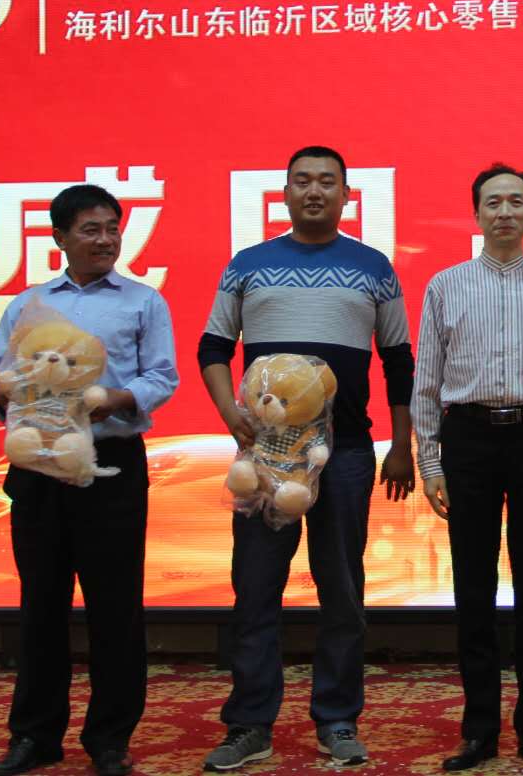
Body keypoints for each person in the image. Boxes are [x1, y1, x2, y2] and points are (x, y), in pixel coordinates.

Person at [200, 145, 416, 770]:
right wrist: (230, 414)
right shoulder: (248, 265)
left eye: (327, 182)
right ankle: (249, 724)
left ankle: (338, 718)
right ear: (285, 192)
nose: (314, 191)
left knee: (341, 590)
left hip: (344, 454)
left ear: (347, 195)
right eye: (302, 181)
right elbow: (213, 347)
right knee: (255, 589)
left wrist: (401, 446)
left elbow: (399, 362)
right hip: (266, 456)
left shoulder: (374, 268)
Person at [0, 184, 180, 776]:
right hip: (37, 468)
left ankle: (110, 739)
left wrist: (115, 399)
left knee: (116, 608)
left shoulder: (143, 302)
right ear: (60, 238)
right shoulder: (27, 305)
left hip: (111, 466)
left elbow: (162, 376)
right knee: (40, 605)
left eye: (112, 228)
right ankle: (34, 736)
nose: (106, 240)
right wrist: (8, 396)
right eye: (91, 229)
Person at [411, 163, 523, 772]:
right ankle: (479, 730)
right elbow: (427, 380)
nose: (505, 212)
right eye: (493, 202)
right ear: (477, 213)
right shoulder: (445, 286)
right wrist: (430, 461)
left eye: (517, 201)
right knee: (473, 587)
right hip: (468, 439)